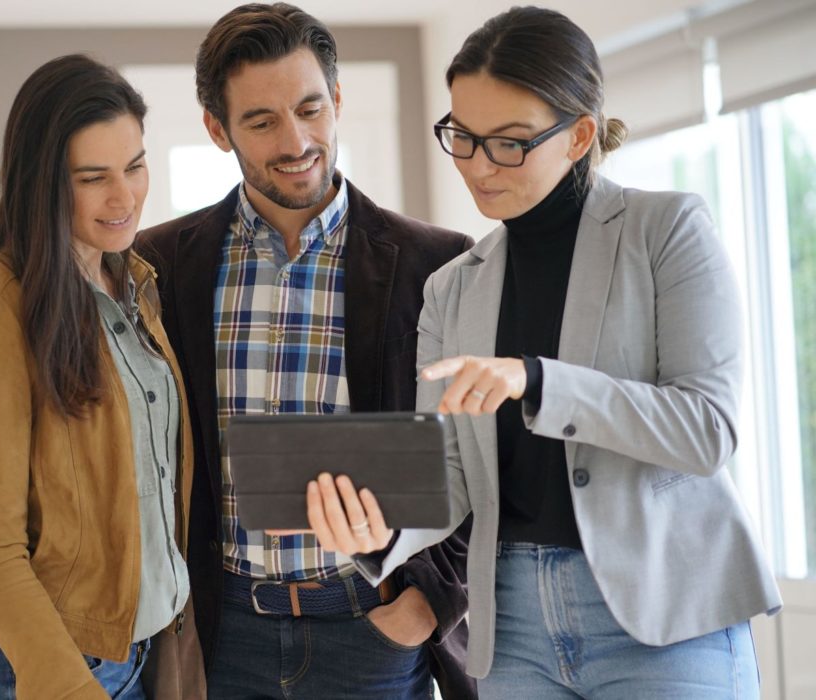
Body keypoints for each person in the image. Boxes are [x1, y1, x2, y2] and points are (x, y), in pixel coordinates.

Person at [305, 6, 783, 698]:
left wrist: (535, 381)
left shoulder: (666, 231)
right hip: (514, 624)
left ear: (580, 133)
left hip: (662, 619)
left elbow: (706, 429)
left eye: (509, 143)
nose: (477, 164)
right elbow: (449, 472)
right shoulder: (451, 288)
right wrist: (377, 530)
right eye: (462, 137)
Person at [133, 3, 477, 698]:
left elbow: (488, 453)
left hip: (372, 629)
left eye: (311, 109)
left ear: (338, 100)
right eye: (261, 122)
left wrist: (433, 602)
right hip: (221, 634)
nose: (296, 141)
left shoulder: (436, 264)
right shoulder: (159, 266)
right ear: (216, 129)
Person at [0, 54, 201, 699]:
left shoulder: (136, 281)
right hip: (42, 666)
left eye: (135, 166)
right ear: (45, 183)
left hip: (141, 652)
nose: (125, 195)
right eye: (93, 177)